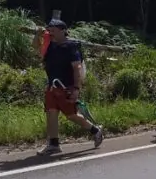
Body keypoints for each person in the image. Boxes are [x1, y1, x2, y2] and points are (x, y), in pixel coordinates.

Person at [32, 19, 103, 156]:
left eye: (54, 30)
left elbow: (77, 68)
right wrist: (37, 34)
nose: (51, 32)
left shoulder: (71, 47)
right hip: (52, 85)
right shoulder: (50, 46)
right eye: (49, 30)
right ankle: (53, 144)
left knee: (71, 115)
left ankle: (95, 130)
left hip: (66, 87)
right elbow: (36, 47)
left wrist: (76, 89)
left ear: (63, 30)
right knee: (50, 112)